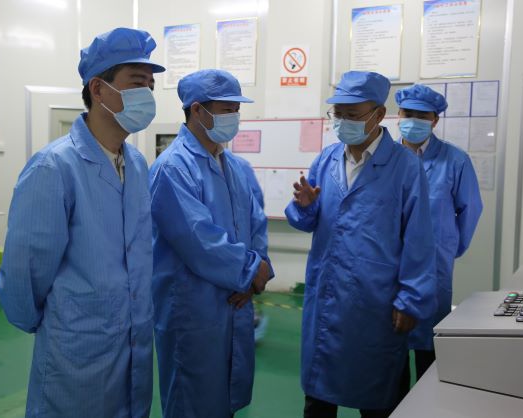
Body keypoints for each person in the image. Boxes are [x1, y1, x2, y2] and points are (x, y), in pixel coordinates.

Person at [0, 27, 165, 418]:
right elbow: (24, 271)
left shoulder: (137, 165)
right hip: (77, 349)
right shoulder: (54, 168)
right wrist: (65, 322)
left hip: (134, 345)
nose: (147, 94)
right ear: (99, 89)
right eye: (137, 83)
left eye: (151, 86)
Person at [285, 71, 437, 418]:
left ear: (379, 114)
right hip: (327, 295)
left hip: (376, 302)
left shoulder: (405, 167)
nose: (343, 122)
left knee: (378, 397)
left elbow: (419, 239)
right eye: (338, 114)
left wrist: (411, 299)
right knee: (318, 398)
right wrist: (305, 207)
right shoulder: (326, 160)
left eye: (352, 115)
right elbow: (307, 221)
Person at [149, 69, 273, 418]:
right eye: (226, 109)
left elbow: (256, 224)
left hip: (235, 302)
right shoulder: (172, 168)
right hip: (192, 308)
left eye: (237, 109)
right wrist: (249, 272)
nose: (234, 116)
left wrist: (257, 272)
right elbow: (198, 239)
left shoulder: (237, 167)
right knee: (192, 400)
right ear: (197, 110)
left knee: (225, 398)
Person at [395, 84, 483, 385]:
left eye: (423, 115)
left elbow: (470, 209)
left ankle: (426, 401)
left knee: (428, 343)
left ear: (435, 120)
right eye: (409, 113)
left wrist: (449, 246)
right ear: (398, 115)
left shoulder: (455, 160)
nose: (414, 121)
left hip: (433, 265)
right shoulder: (384, 158)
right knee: (389, 347)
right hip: (388, 262)